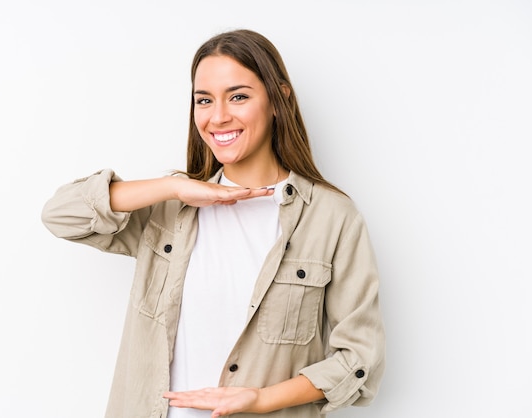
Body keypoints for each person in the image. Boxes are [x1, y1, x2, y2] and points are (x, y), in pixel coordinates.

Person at [42, 29, 385, 418]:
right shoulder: (169, 209)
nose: (218, 116)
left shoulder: (332, 217)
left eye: (238, 96)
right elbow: (61, 215)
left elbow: (360, 360)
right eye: (204, 100)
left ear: (278, 99)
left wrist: (260, 399)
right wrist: (173, 187)